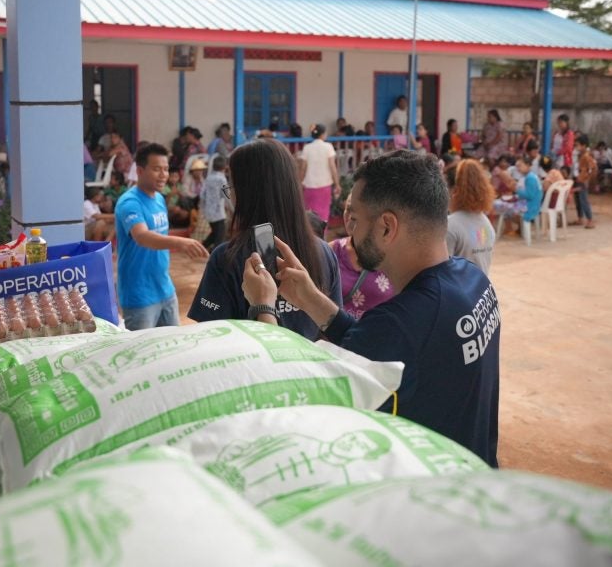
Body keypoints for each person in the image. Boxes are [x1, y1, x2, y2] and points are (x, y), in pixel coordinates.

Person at [240, 151, 500, 466]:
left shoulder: (402, 322)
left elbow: (291, 396)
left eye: (357, 220)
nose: (352, 232)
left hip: (425, 493)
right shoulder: (473, 281)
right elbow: (375, 345)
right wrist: (309, 297)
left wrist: (262, 306)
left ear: (387, 228)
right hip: (472, 473)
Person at [189, 138, 342, 341]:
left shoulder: (227, 258)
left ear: (246, 193)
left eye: (232, 186)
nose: (231, 196)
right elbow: (333, 331)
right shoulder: (325, 251)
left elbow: (212, 338)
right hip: (311, 370)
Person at [115, 143, 208, 330]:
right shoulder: (130, 202)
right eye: (157, 169)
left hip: (165, 289)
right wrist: (181, 242)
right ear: (140, 171)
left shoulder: (158, 198)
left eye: (165, 169)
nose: (163, 175)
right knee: (142, 354)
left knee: (172, 347)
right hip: (139, 295)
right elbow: (141, 236)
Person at [329, 195, 395, 320]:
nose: (350, 217)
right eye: (348, 209)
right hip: (336, 335)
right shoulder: (332, 251)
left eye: (356, 212)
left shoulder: (393, 257)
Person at [446, 159, 496, 275]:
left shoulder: (450, 226)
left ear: (454, 190)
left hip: (459, 292)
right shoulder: (485, 222)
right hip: (481, 290)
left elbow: (443, 273)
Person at [298, 124, 341, 224]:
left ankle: (309, 235)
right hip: (324, 185)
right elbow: (332, 167)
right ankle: (322, 236)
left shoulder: (307, 148)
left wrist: (299, 182)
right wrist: (337, 184)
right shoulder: (328, 147)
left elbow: (303, 168)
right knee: (323, 214)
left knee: (309, 213)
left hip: (309, 186)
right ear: (323, 134)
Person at [200, 155, 229, 249]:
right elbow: (226, 195)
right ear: (225, 167)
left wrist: (203, 207)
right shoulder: (222, 179)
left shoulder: (208, 178)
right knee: (220, 235)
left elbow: (202, 194)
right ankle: (216, 254)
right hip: (218, 212)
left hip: (209, 211)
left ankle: (202, 247)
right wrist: (232, 208)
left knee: (215, 232)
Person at [572, 134, 596, 229]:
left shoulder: (586, 156)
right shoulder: (580, 155)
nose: (576, 147)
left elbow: (592, 168)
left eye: (577, 145)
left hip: (582, 180)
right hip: (578, 178)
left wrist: (586, 178)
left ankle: (589, 219)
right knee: (578, 199)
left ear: (584, 145)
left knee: (583, 200)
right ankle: (580, 218)